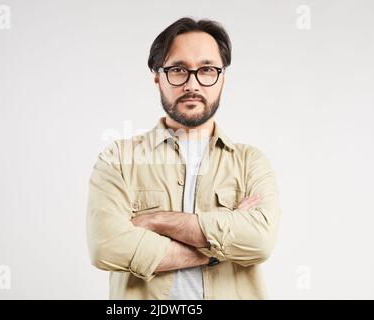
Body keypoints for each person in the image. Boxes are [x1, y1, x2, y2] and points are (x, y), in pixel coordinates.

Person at [86, 17, 281, 299]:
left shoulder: (251, 162)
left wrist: (156, 220)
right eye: (178, 70)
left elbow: (260, 241)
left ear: (221, 78)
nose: (192, 83)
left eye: (207, 69)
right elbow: (105, 246)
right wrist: (219, 248)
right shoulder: (118, 159)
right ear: (158, 78)